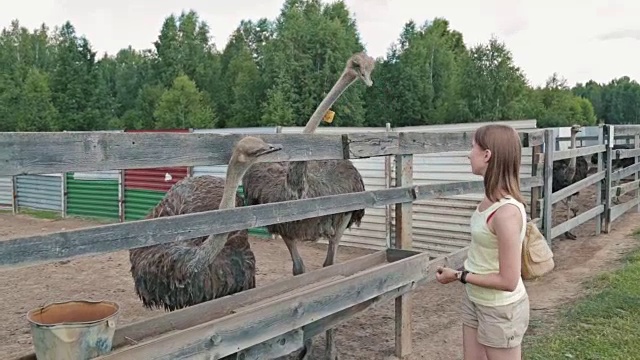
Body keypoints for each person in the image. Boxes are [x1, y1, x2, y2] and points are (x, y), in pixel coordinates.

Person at [436, 124, 530, 360]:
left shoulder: (506, 213)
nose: (469, 154)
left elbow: (509, 280)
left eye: (473, 147)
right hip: (475, 299)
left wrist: (459, 276)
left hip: (500, 309)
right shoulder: (489, 201)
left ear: (487, 155)